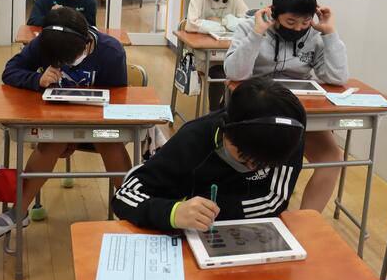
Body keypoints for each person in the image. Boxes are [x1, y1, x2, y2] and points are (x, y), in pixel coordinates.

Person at [0, 7, 129, 240]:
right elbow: (10, 71)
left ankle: (132, 209)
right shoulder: (46, 42)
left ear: (87, 42)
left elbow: (118, 100)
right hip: (57, 124)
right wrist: (37, 79)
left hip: (99, 125)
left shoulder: (111, 51)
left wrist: (78, 135)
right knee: (49, 143)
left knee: (110, 141)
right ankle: (19, 211)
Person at [112, 77, 305, 230]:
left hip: (244, 234)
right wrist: (174, 212)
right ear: (225, 129)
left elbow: (275, 200)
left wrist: (217, 210)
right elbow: (124, 196)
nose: (252, 168)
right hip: (183, 234)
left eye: (263, 164)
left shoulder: (286, 138)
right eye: (244, 157)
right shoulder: (192, 140)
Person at [224, 0, 348, 212]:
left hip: (298, 112)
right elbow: (234, 73)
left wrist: (330, 33)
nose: (298, 28)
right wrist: (257, 34)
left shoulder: (315, 36)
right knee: (255, 156)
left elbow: (337, 77)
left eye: (305, 22)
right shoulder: (250, 27)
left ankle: (306, 220)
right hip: (256, 109)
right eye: (291, 22)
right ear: (274, 12)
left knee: (332, 157)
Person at [186, 0, 248, 110]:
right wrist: (226, 23)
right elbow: (191, 24)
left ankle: (226, 109)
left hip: (229, 53)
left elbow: (247, 21)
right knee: (219, 75)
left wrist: (221, 21)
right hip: (204, 55)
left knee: (241, 76)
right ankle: (214, 111)